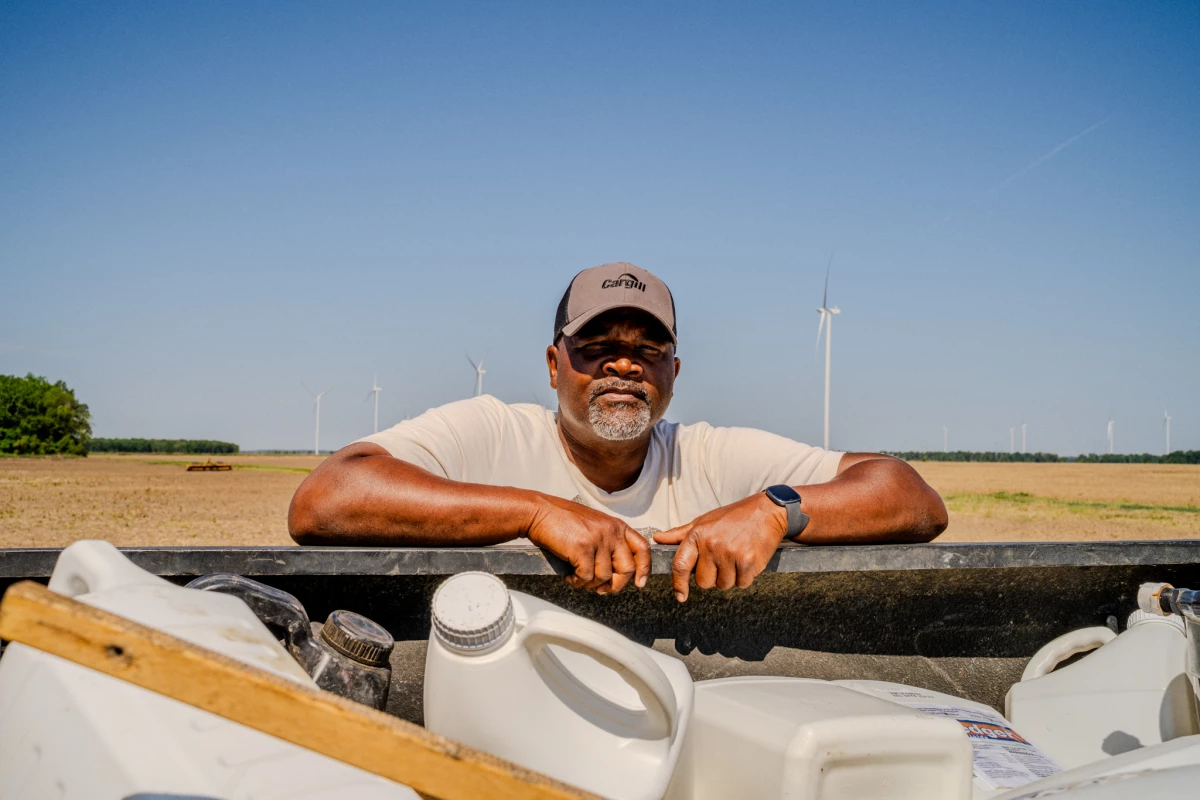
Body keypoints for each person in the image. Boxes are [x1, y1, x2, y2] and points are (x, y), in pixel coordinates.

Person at [289, 262, 948, 601]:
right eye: (598, 345)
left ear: (674, 371)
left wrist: (776, 511)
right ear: (554, 366)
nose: (625, 364)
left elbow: (910, 496)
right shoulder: (492, 432)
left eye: (648, 349)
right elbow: (326, 500)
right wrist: (536, 512)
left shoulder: (708, 455)